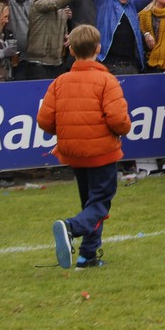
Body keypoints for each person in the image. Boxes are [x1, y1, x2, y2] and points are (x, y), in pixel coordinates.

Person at [39, 24, 132, 270]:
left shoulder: (60, 82)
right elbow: (118, 119)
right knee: (100, 202)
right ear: (98, 49)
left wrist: (68, 130)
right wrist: (124, 128)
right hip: (101, 151)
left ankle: (88, 255)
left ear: (71, 51)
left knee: (90, 203)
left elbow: (45, 120)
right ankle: (71, 227)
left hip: (73, 151)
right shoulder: (106, 80)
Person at [0, 0, 20, 82]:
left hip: (4, 79)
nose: (7, 21)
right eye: (5, 17)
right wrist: (2, 53)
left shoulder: (4, 33)